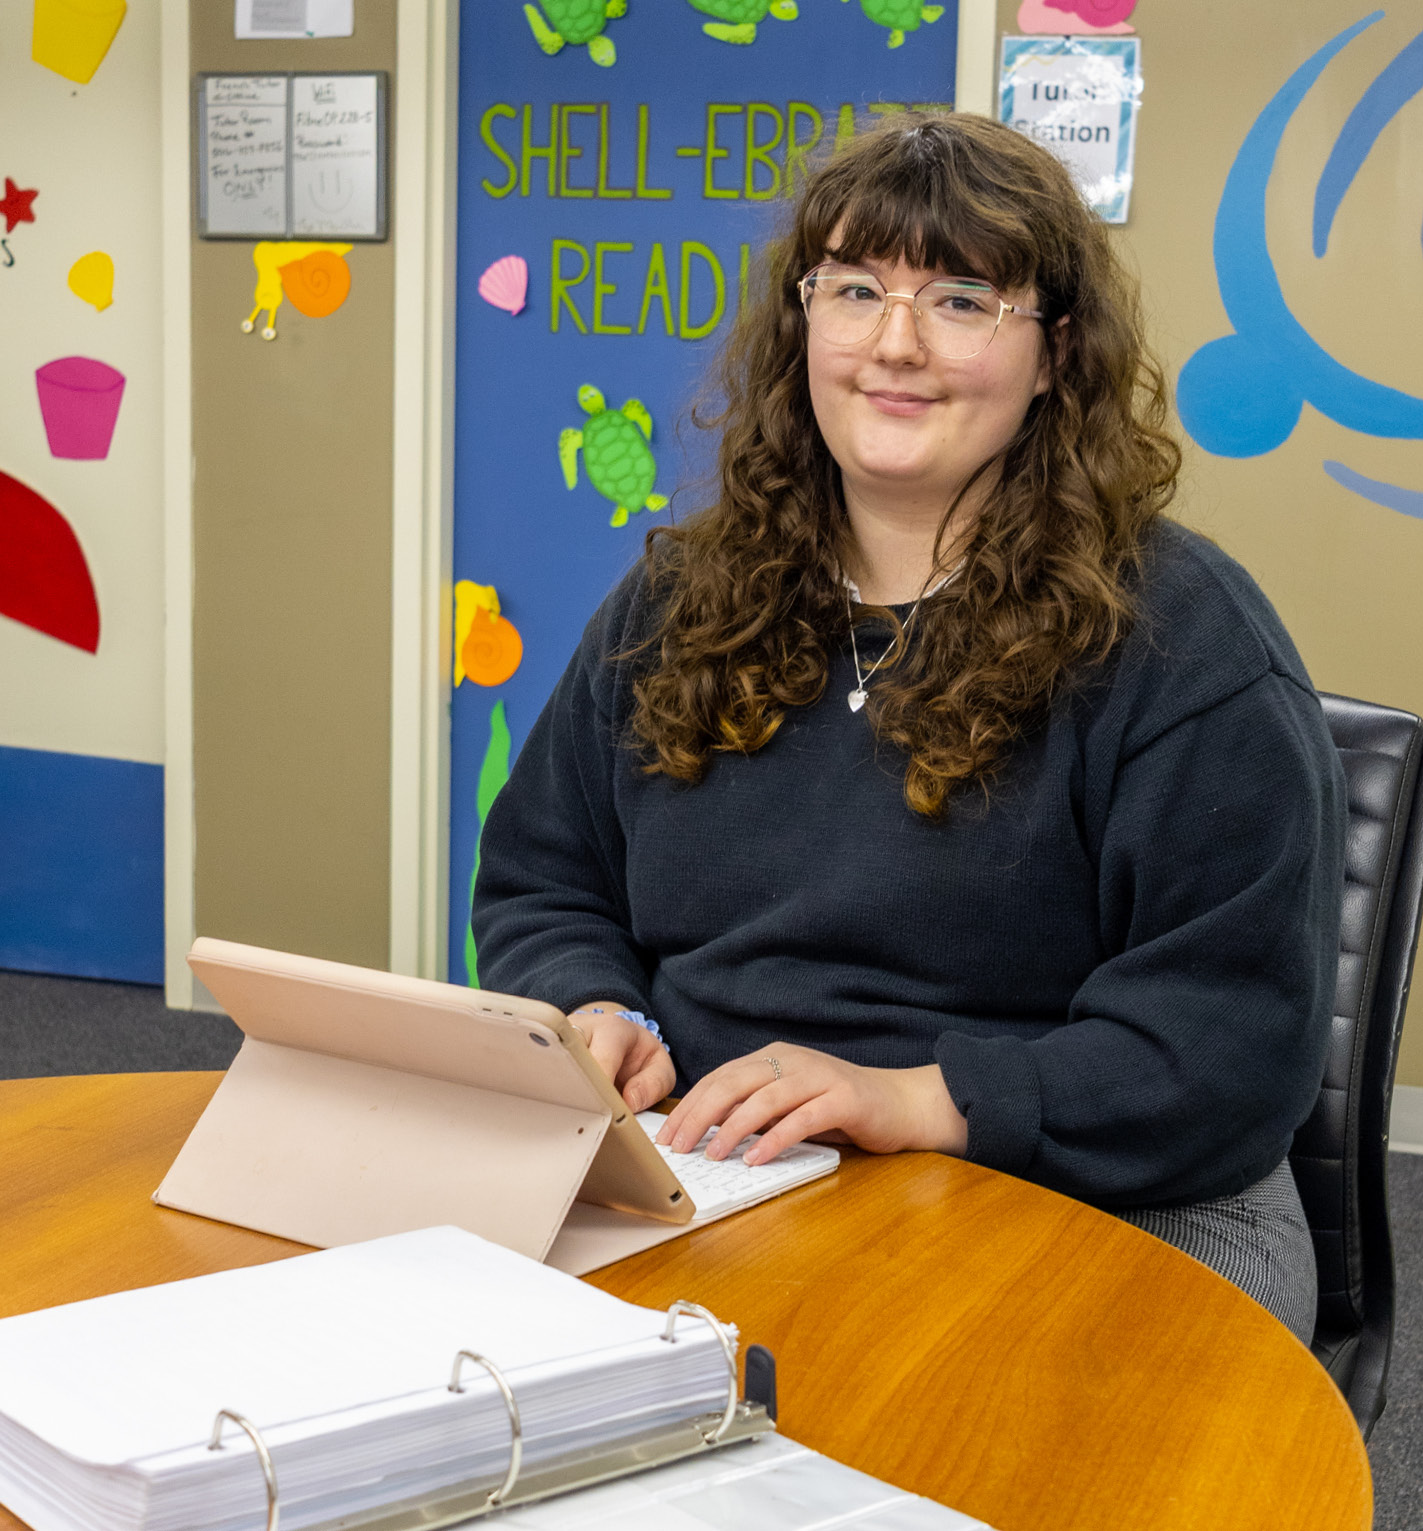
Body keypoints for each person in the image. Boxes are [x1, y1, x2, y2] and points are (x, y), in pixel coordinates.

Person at [473, 113, 1346, 1341]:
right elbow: (545, 878)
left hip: (1090, 1184)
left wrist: (921, 1100)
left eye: (961, 300)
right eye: (855, 290)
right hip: (719, 1165)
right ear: (802, 326)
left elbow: (1225, 1042)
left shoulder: (1180, 641)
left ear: (1052, 354)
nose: (895, 345)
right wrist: (592, 1010)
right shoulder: (680, 597)